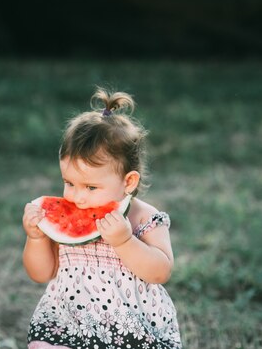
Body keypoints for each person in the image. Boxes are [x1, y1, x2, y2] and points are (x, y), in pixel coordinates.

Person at [22, 88, 181, 349]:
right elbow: (41, 273)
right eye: (69, 183)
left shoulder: (146, 217)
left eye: (91, 187)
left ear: (128, 182)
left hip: (130, 328)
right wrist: (35, 238)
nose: (78, 197)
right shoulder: (67, 212)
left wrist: (125, 241)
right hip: (68, 321)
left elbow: (160, 272)